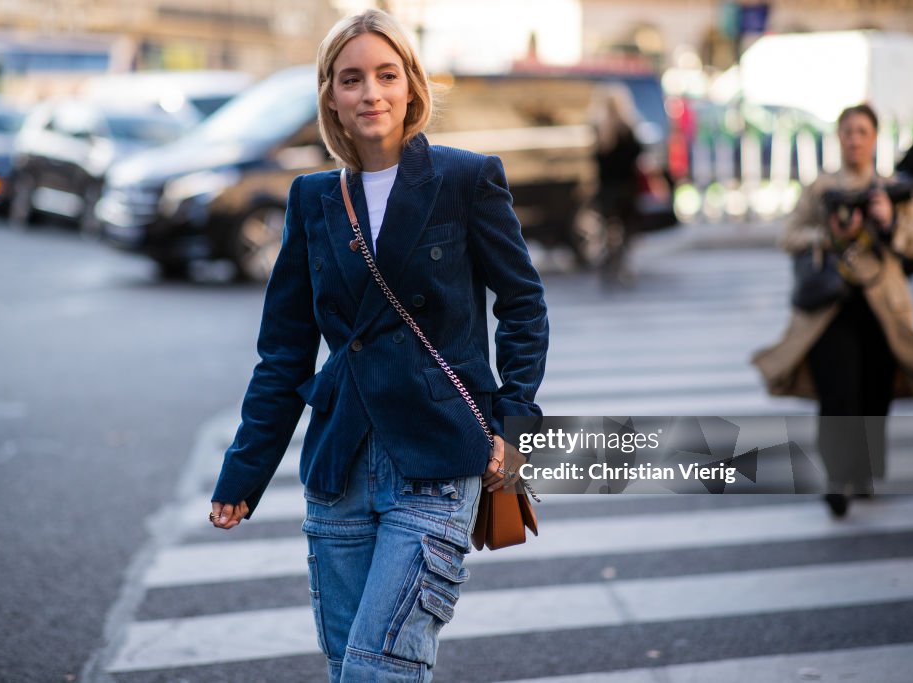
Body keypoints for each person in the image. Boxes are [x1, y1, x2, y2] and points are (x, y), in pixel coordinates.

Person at [209, 9, 549, 682]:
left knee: (378, 671)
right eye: (352, 78)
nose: (371, 93)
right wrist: (244, 472)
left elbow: (522, 304)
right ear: (331, 95)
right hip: (339, 470)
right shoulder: (312, 199)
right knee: (352, 670)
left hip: (438, 458)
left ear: (411, 85)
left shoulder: (465, 179)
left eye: (386, 75)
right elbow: (283, 351)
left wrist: (517, 425)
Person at [753, 104, 913, 518]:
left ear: (874, 138)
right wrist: (827, 234)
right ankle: (837, 479)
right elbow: (788, 235)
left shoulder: (892, 189)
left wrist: (888, 222)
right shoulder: (821, 189)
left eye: (862, 131)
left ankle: (863, 470)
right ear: (839, 137)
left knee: (875, 394)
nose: (855, 139)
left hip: (881, 310)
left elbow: (911, 245)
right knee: (838, 394)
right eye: (848, 131)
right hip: (831, 307)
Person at [589, 83, 644, 287]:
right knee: (626, 231)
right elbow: (637, 156)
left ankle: (609, 263)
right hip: (626, 188)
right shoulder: (628, 128)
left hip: (607, 188)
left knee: (609, 230)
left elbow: (595, 161)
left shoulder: (599, 130)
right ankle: (622, 265)